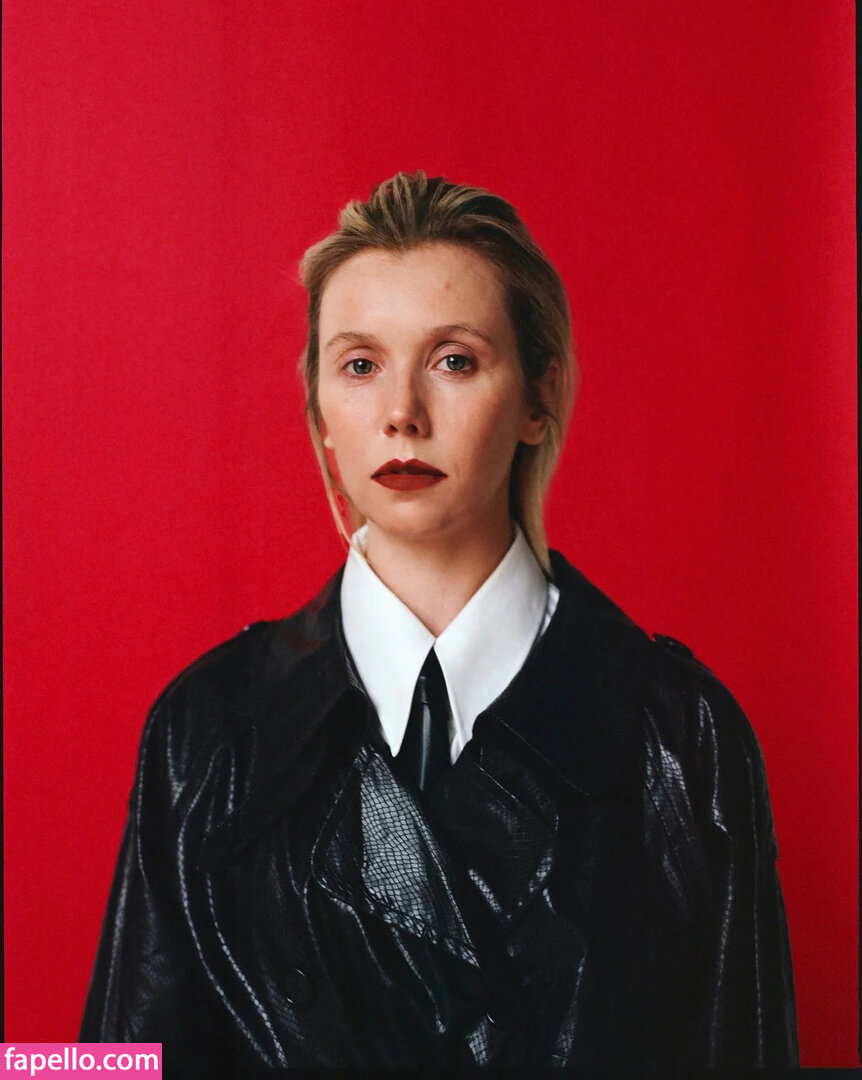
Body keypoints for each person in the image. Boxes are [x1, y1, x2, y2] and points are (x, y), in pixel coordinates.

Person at [81, 171, 798, 1073]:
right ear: (320, 412)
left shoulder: (679, 736)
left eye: (453, 360)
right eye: (360, 365)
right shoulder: (208, 729)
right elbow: (120, 1058)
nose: (402, 416)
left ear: (538, 396)